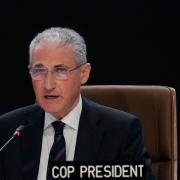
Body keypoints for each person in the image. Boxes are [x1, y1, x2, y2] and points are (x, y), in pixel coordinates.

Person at [0, 27, 155, 180]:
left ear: (84, 73)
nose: (48, 85)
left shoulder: (120, 132)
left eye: (60, 70)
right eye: (39, 71)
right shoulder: (8, 130)